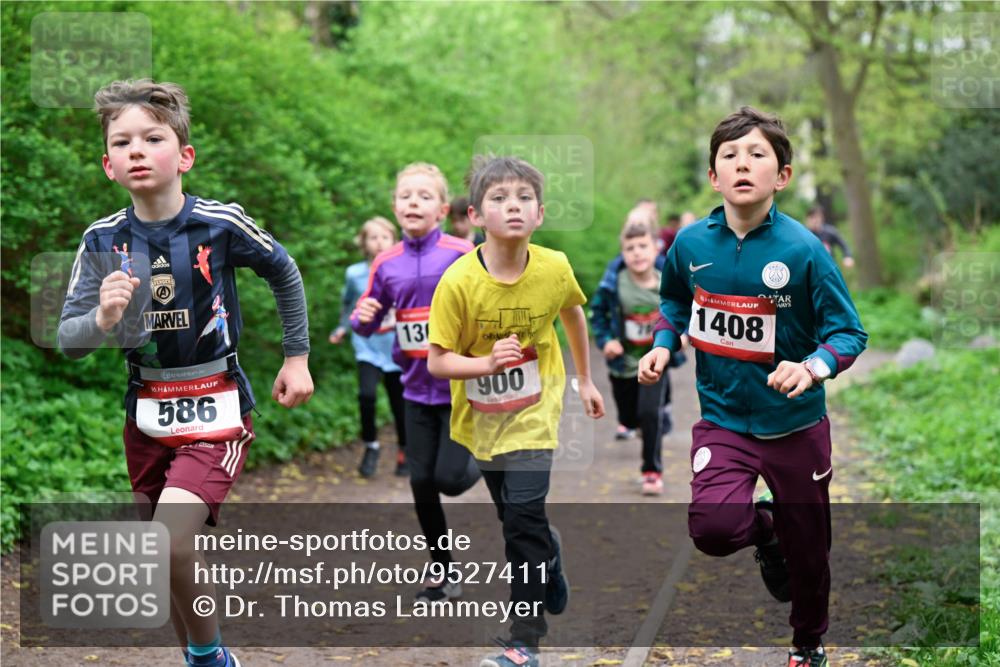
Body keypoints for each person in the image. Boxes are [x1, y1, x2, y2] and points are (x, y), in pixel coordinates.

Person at [59, 79, 314, 667]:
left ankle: (210, 658)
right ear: (108, 165)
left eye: (153, 137)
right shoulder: (101, 240)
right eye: (122, 142)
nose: (138, 150)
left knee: (168, 541)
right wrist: (102, 316)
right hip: (145, 414)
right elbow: (70, 342)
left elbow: (285, 270)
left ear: (185, 156)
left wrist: (295, 356)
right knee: (164, 557)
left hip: (216, 405)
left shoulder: (220, 224)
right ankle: (201, 658)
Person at [639, 106, 867, 667]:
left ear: (782, 176)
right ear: (713, 176)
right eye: (730, 156)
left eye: (757, 154)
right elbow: (672, 301)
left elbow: (848, 331)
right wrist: (664, 343)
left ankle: (808, 643)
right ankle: (765, 531)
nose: (743, 164)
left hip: (794, 425)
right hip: (722, 419)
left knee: (810, 552)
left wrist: (812, 366)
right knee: (714, 529)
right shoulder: (691, 245)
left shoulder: (805, 249)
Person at [427, 156, 605, 667]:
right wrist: (486, 361)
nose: (514, 206)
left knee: (521, 515)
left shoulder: (554, 267)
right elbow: (439, 362)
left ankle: (525, 639)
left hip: (536, 409)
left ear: (541, 213)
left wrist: (584, 379)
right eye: (500, 198)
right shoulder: (458, 282)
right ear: (475, 216)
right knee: (517, 520)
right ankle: (548, 553)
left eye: (524, 197)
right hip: (482, 418)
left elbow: (572, 312)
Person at [351, 162, 481, 602]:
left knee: (449, 479)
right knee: (421, 483)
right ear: (394, 206)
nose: (413, 202)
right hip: (415, 391)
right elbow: (366, 320)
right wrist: (362, 317)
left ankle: (486, 455)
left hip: (461, 391)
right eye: (406, 196)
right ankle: (443, 572)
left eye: (425, 196)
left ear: (442, 209)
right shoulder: (386, 263)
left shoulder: (462, 253)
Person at [590, 221, 674, 496]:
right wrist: (606, 341)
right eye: (630, 248)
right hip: (623, 365)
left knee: (650, 414)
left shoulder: (667, 280)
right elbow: (598, 313)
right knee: (629, 417)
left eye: (642, 246)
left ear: (655, 249)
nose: (637, 253)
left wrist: (679, 337)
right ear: (623, 253)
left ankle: (652, 470)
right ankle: (641, 425)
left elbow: (681, 313)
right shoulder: (615, 282)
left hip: (654, 364)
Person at [329, 216, 408, 477]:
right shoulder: (355, 273)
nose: (379, 242)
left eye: (385, 237)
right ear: (364, 243)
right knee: (366, 396)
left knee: (400, 404)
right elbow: (348, 304)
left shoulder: (402, 269)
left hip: (397, 349)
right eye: (373, 237)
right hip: (367, 347)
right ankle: (371, 446)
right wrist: (342, 327)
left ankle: (404, 451)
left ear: (394, 241)